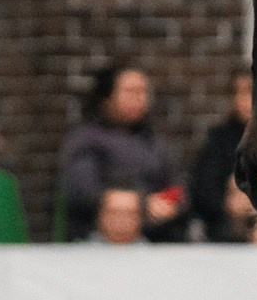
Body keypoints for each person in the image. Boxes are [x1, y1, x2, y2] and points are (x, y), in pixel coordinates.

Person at [57, 64, 185, 242]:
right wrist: (142, 204)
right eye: (131, 91)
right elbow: (84, 191)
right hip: (98, 241)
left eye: (143, 92)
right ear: (107, 97)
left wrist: (170, 203)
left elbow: (177, 185)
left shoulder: (154, 141)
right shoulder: (87, 140)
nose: (139, 98)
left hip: (155, 238)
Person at [187, 69, 254, 242]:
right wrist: (227, 203)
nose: (250, 100)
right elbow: (201, 190)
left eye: (254, 92)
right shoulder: (219, 139)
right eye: (243, 93)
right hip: (226, 230)